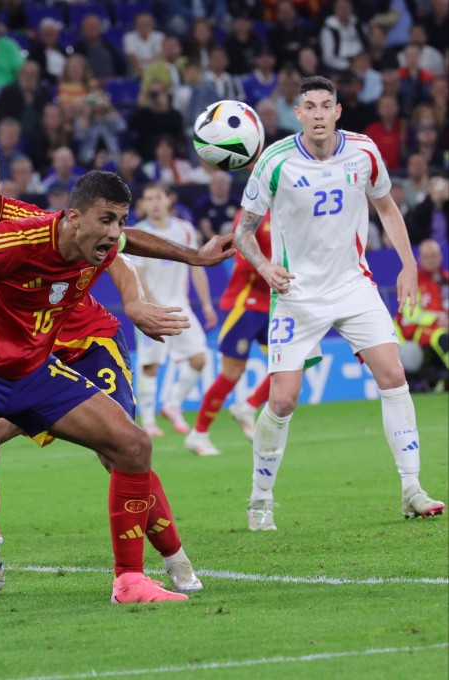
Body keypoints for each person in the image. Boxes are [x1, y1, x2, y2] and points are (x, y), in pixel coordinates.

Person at [0, 171, 235, 621]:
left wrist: (195, 257)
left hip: (35, 372)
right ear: (74, 219)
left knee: (133, 444)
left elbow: (129, 243)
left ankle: (131, 580)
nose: (113, 233)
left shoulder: (100, 241)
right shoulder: (13, 240)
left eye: (118, 221)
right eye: (106, 221)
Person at [0, 137, 217, 597]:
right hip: (28, 367)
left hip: (87, 344)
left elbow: (117, 253)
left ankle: (173, 558)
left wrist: (135, 303)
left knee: (119, 448)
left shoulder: (34, 221)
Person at [236, 75, 445, 531]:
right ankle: (260, 497)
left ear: (337, 112)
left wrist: (408, 265)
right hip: (296, 293)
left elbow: (387, 207)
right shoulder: (274, 161)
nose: (316, 114)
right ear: (298, 114)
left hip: (353, 285)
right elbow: (243, 232)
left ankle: (411, 487)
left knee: (393, 375)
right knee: (284, 400)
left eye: (324, 105)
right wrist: (265, 269)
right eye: (308, 106)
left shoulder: (364, 151)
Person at [185, 209, 277, 456]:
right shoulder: (251, 214)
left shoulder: (288, 209)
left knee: (290, 364)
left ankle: (248, 406)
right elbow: (245, 254)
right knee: (232, 373)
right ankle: (199, 434)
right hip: (244, 303)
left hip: (273, 302)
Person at [132, 184, 218, 438]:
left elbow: (196, 267)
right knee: (151, 365)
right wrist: (155, 306)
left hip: (180, 306)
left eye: (158, 197)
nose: (154, 203)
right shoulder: (138, 234)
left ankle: (172, 404)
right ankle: (148, 422)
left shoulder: (185, 230)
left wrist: (206, 304)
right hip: (151, 309)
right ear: (144, 204)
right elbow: (137, 275)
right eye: (148, 198)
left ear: (168, 200)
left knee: (200, 358)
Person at [396, 239, 448, 387]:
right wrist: (437, 320)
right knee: (442, 336)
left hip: (443, 327)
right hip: (418, 333)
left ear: (441, 256)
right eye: (426, 256)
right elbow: (410, 313)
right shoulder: (412, 281)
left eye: (434, 255)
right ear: (419, 258)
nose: (431, 260)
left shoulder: (446, 279)